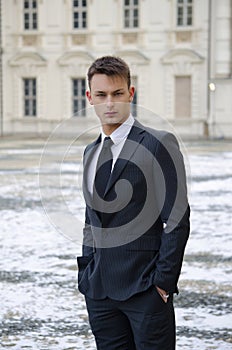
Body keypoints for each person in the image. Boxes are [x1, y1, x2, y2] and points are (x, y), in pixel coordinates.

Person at [77, 56, 190, 350]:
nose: (110, 103)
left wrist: (162, 284)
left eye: (117, 93)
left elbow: (177, 217)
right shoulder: (90, 152)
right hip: (100, 292)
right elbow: (92, 219)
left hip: (145, 290)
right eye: (101, 95)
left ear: (131, 93)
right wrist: (86, 270)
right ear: (89, 97)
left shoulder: (158, 143)